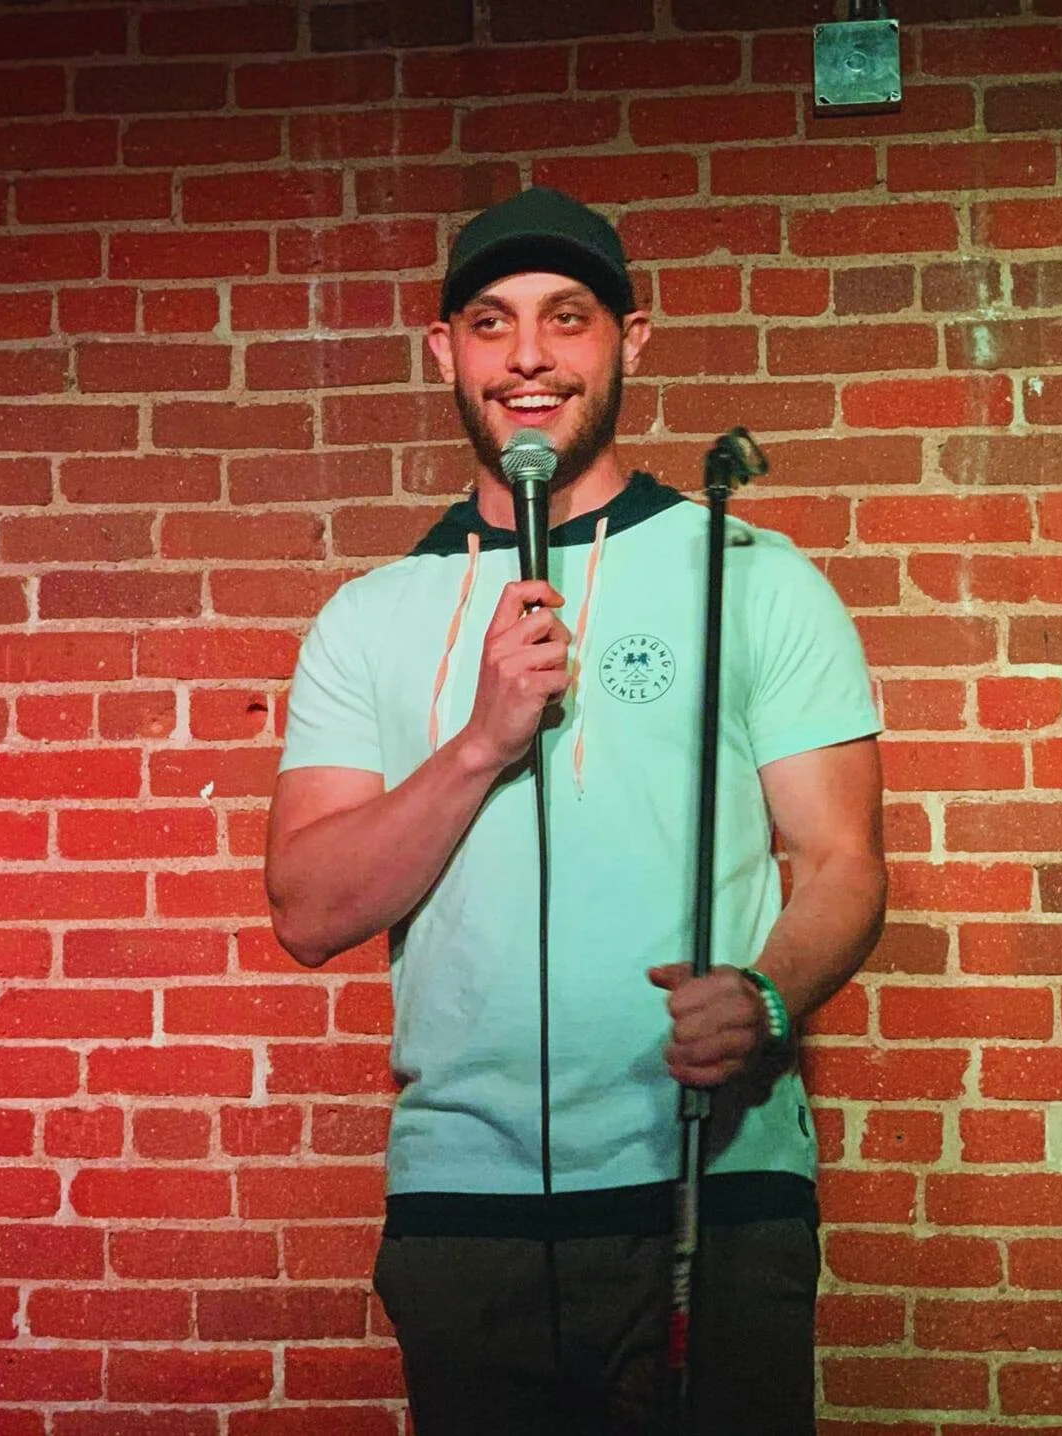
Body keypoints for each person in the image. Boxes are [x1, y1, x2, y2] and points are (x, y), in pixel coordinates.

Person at [265, 186, 888, 1436]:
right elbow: (309, 907)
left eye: (568, 318)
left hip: (713, 1192)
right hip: (467, 1214)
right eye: (491, 325)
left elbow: (843, 862)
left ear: (630, 338)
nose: (531, 356)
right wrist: (481, 743)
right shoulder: (368, 615)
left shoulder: (752, 572)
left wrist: (767, 994)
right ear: (444, 351)